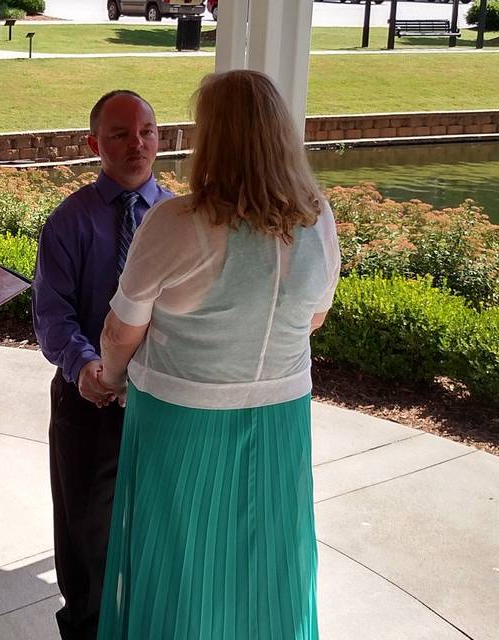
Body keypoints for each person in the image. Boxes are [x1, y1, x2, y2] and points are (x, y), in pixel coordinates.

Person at [96, 70, 341, 640]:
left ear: (214, 138)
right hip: (281, 416)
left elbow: (120, 331)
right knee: (268, 564)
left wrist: (110, 379)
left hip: (184, 421)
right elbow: (313, 318)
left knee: (181, 565)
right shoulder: (316, 217)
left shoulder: (176, 223)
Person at [32, 89, 173, 640]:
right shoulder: (69, 222)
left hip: (163, 403)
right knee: (85, 542)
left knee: (158, 534)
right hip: (85, 404)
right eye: (120, 134)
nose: (137, 144)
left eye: (147, 131)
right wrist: (89, 368)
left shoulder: (180, 220)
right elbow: (52, 316)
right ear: (95, 144)